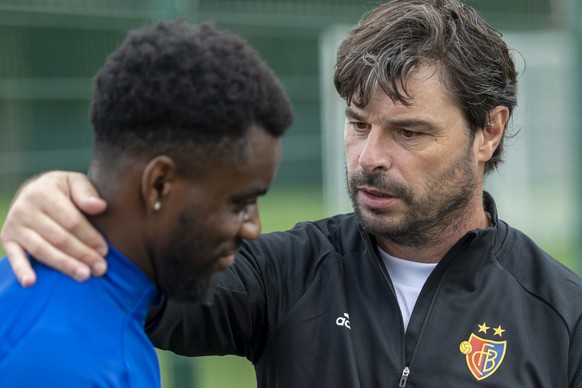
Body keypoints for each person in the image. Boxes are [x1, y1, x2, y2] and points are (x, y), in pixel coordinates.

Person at [2, 0, 582, 386]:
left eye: (408, 132)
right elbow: (136, 276)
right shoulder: (286, 271)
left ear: (489, 131)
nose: (368, 157)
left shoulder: (563, 315)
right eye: (359, 123)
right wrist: (65, 202)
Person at [0, 20, 292, 387]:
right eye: (240, 203)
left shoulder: (60, 303)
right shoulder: (70, 364)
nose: (253, 227)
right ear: (159, 185)